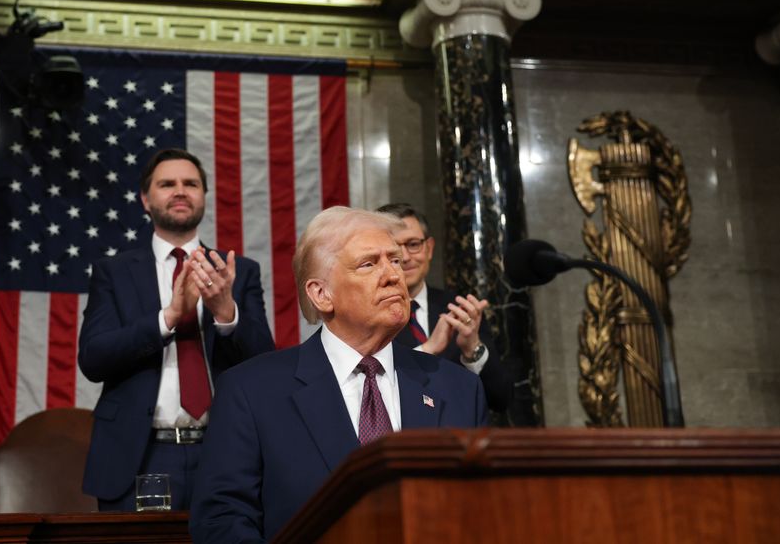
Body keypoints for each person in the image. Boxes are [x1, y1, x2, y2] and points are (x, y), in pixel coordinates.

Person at [190, 207, 486, 542]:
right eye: (369, 264)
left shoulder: (459, 387)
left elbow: (485, 513)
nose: (393, 275)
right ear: (321, 294)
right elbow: (221, 520)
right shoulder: (251, 391)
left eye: (395, 261)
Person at [78, 148, 274, 511]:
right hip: (141, 454)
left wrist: (225, 312)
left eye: (191, 184)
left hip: (225, 449)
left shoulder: (238, 271)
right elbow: (93, 358)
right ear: (145, 199)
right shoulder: (114, 272)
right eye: (167, 184)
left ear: (204, 196)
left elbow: (266, 362)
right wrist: (167, 317)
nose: (180, 191)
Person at [376, 202, 514, 414]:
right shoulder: (365, 315)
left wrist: (472, 350)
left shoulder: (459, 309)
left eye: (413, 244)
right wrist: (428, 349)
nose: (405, 257)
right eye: (394, 249)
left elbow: (501, 399)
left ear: (429, 248)